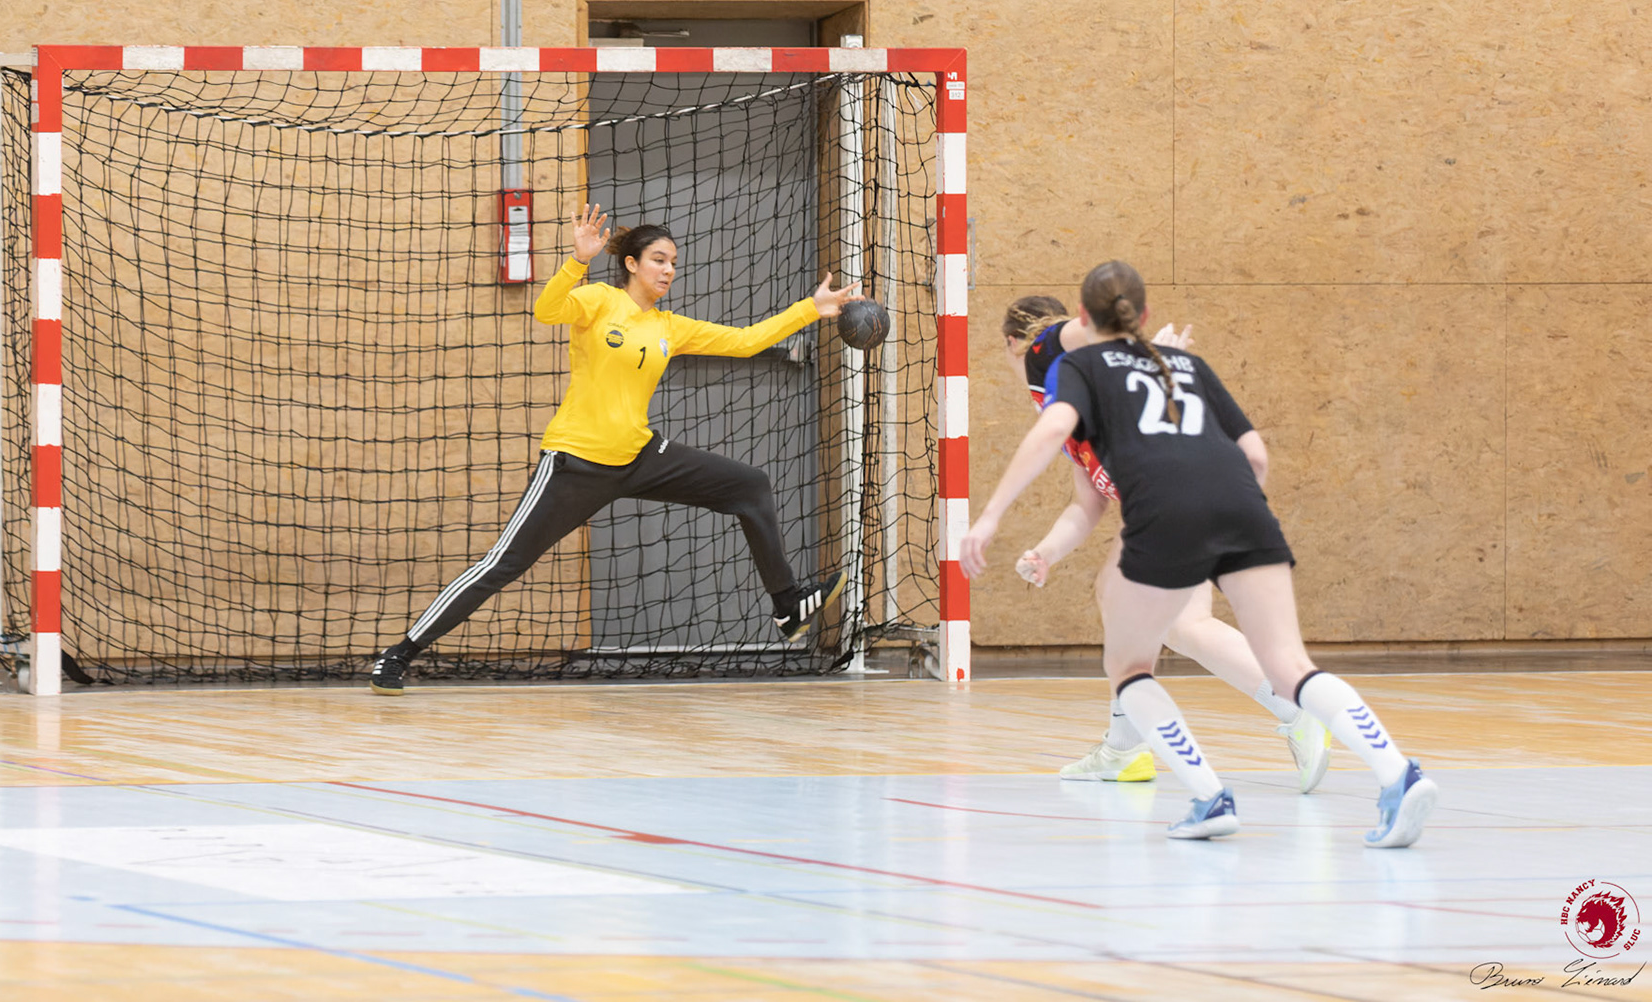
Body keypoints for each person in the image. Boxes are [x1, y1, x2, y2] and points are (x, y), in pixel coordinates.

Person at [964, 262, 1437, 845]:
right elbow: (1252, 457)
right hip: (1238, 500)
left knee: (1130, 662)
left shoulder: (1066, 365)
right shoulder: (1181, 366)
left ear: (1079, 318)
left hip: (1164, 512)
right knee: (1285, 664)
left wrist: (990, 516)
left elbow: (1052, 420)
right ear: (1142, 315)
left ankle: (1206, 794)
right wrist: (1051, 550)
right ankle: (1399, 774)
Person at [368, 203, 857, 695]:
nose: (668, 270)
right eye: (658, 260)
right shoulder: (599, 301)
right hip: (576, 463)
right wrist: (577, 261)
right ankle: (399, 653)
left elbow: (746, 341)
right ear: (631, 264)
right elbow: (547, 310)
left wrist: (810, 310)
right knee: (502, 565)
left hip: (640, 456)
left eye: (673, 263)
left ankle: (788, 606)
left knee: (749, 486)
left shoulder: (669, 327)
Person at [1001, 295, 1331, 793]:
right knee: (1165, 620)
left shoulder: (1043, 356)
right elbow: (1086, 505)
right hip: (1191, 492)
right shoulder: (1073, 418)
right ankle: (1127, 748)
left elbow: (1080, 330)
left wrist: (1146, 352)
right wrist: (1046, 552)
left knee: (1149, 614)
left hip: (1181, 493)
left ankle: (1293, 706)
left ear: (1012, 342)